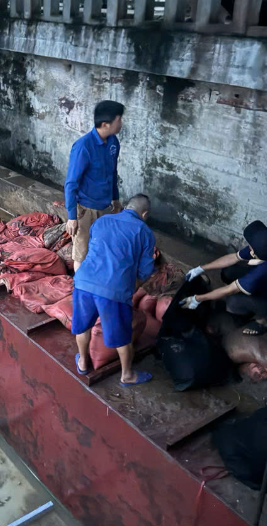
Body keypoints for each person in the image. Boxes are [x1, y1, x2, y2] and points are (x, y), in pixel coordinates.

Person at [71, 194, 157, 386]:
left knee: (83, 327)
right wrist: (129, 289)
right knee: (122, 338)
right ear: (144, 214)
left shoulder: (103, 220)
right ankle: (127, 375)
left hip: (83, 282)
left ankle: (83, 362)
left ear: (126, 206)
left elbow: (94, 248)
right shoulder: (144, 231)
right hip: (113, 291)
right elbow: (145, 270)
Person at [179, 220, 267, 336]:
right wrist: (201, 268)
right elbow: (233, 257)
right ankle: (244, 293)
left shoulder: (262, 272)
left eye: (251, 248)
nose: (249, 248)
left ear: (255, 253)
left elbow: (229, 290)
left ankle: (264, 320)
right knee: (228, 272)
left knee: (233, 301)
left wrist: (197, 299)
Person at [64, 100, 123, 271]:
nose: (121, 123)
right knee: (82, 254)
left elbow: (113, 173)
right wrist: (72, 217)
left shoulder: (113, 143)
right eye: (118, 119)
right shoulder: (83, 146)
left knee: (102, 250)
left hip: (105, 208)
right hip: (86, 210)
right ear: (105, 124)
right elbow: (71, 183)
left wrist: (115, 199)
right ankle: (80, 285)